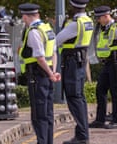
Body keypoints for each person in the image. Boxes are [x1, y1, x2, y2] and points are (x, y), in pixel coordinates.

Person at [18, 3, 61, 144]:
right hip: (47, 75)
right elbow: (54, 53)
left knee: (39, 114)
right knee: (48, 113)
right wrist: (53, 72)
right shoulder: (47, 29)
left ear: (25, 16)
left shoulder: (33, 31)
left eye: (22, 17)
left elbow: (40, 57)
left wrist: (49, 73)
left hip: (37, 76)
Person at [56, 0, 93, 143]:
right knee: (79, 98)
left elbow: (57, 40)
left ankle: (83, 136)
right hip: (80, 61)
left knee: (74, 98)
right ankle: (81, 135)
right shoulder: (87, 21)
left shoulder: (74, 24)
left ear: (72, 6)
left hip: (72, 61)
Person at [89, 6, 117, 129]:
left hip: (115, 61)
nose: (98, 20)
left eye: (99, 18)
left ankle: (116, 120)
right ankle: (100, 120)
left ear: (106, 16)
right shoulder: (103, 28)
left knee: (115, 91)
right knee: (100, 89)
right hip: (107, 63)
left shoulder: (115, 28)